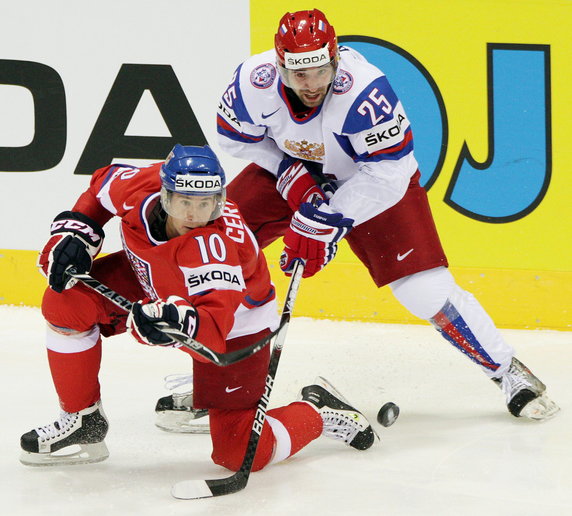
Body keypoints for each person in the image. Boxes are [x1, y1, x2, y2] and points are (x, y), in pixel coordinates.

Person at [213, 8, 559, 421]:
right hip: (291, 169)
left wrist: (327, 221)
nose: (311, 85)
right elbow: (236, 141)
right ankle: (222, 384)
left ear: (335, 59)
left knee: (423, 291)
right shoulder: (254, 82)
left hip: (368, 180)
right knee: (217, 246)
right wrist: (293, 177)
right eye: (298, 75)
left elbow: (391, 173)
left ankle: (507, 372)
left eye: (320, 71)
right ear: (280, 65)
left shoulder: (364, 92)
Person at [19, 144, 378, 469]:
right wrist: (79, 231)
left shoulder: (215, 251)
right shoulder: (139, 187)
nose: (195, 215)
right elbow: (100, 186)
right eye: (184, 202)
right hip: (153, 280)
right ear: (164, 195)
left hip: (236, 321)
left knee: (238, 454)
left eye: (206, 204)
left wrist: (175, 325)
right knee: (65, 301)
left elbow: (212, 340)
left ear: (219, 200)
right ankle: (83, 419)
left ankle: (318, 410)